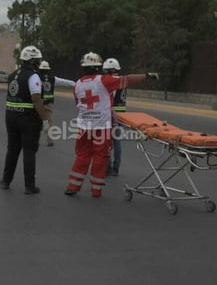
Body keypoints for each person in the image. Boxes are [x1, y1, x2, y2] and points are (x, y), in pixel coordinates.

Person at [64, 52, 157, 198]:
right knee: (100, 158)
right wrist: (146, 75)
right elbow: (127, 80)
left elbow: (78, 105)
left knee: (82, 156)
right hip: (102, 128)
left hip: (84, 128)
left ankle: (72, 186)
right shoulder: (104, 80)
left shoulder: (77, 85)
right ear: (98, 67)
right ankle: (96, 190)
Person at [0, 45, 49, 194]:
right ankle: (29, 185)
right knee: (29, 151)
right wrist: (45, 119)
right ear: (32, 60)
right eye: (38, 60)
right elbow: (36, 98)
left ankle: (5, 181)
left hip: (11, 116)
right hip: (27, 118)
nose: (39, 62)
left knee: (12, 150)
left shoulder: (13, 74)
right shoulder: (33, 76)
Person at [37, 60, 76, 147]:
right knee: (49, 122)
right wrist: (75, 83)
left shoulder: (36, 78)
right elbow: (64, 82)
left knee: (37, 122)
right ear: (48, 69)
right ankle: (50, 140)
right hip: (49, 103)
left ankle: (36, 140)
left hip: (39, 103)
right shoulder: (52, 78)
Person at [103, 57, 127, 176]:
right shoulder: (122, 80)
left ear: (110, 70)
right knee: (117, 142)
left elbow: (109, 99)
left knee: (107, 142)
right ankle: (116, 168)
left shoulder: (112, 81)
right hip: (122, 113)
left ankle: (108, 167)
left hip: (112, 114)